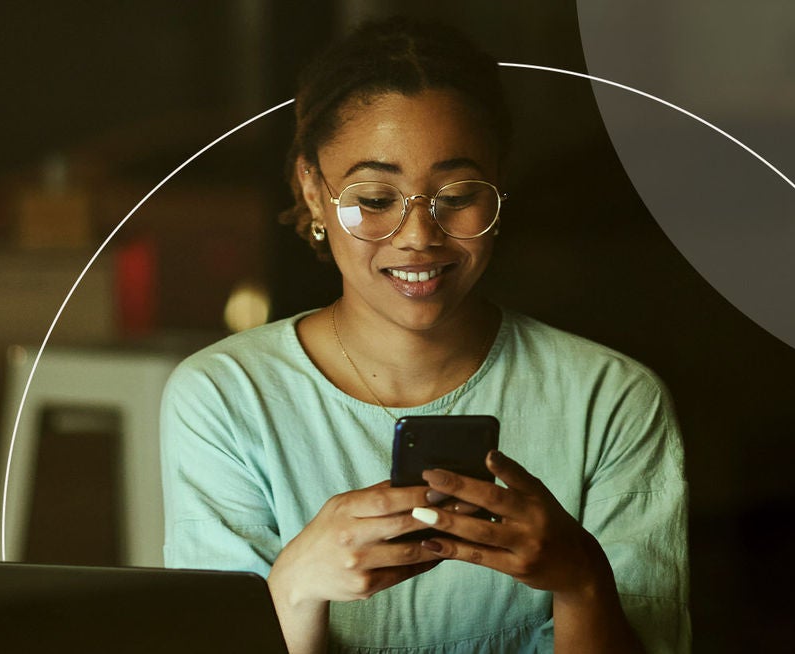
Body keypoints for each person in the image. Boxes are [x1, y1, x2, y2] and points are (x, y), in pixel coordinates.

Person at [160, 16, 689, 654]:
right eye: (376, 198)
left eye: (459, 193)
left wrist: (580, 579)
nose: (418, 235)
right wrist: (297, 584)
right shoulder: (227, 396)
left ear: (500, 185)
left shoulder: (610, 400)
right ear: (312, 188)